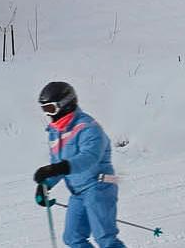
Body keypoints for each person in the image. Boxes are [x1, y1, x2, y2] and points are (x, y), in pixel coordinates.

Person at [32, 81, 127, 248]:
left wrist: (58, 168)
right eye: (44, 109)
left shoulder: (88, 127)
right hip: (78, 192)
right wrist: (45, 184)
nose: (48, 114)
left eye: (50, 109)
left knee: (105, 238)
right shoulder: (55, 132)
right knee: (73, 238)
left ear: (65, 104)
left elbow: (89, 157)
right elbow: (57, 164)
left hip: (99, 186)